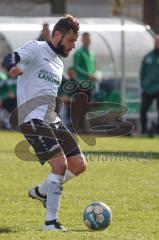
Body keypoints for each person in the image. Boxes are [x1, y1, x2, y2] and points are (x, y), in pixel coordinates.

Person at [2, 15, 86, 231]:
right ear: (57, 35)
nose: (73, 45)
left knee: (78, 164)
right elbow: (11, 56)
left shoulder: (58, 63)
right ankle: (51, 223)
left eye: (75, 41)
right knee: (60, 165)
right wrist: (12, 67)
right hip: (31, 118)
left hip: (50, 118)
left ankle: (41, 191)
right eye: (70, 40)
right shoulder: (37, 48)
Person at [73, 32, 96, 132]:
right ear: (82, 40)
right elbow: (76, 67)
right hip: (81, 84)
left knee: (87, 107)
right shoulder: (78, 53)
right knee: (79, 107)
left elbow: (93, 68)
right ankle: (77, 127)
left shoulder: (92, 54)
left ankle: (84, 128)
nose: (87, 40)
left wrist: (94, 75)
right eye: (85, 38)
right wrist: (88, 74)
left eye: (89, 38)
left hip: (90, 84)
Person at [140, 34, 159, 135]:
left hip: (158, 88)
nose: (157, 43)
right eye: (156, 41)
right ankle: (144, 131)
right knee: (143, 109)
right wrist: (143, 84)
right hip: (147, 88)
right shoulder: (148, 56)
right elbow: (142, 73)